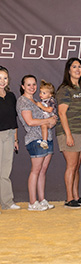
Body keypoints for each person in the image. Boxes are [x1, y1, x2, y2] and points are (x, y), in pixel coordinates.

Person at [56, 58, 81, 209]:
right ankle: (69, 198)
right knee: (71, 166)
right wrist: (68, 135)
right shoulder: (65, 89)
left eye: (80, 67)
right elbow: (61, 113)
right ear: (68, 70)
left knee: (77, 166)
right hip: (69, 132)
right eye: (74, 67)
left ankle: (76, 196)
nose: (78, 69)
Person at [16, 75, 57, 211]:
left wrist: (52, 120)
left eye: (34, 84)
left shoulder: (37, 101)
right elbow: (30, 122)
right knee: (36, 170)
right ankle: (32, 202)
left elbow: (50, 119)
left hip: (47, 138)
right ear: (23, 87)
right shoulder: (23, 101)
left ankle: (41, 199)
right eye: (28, 85)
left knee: (42, 171)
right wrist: (47, 121)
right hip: (35, 139)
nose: (32, 87)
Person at [0, 66, 20, 210]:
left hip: (9, 135)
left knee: (5, 171)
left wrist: (15, 139)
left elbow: (14, 119)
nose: (2, 81)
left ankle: (7, 202)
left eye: (5, 78)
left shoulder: (12, 96)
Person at [36, 80, 57, 150]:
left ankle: (44, 141)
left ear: (50, 95)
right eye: (41, 92)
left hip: (51, 118)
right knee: (43, 126)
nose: (41, 94)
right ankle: (44, 140)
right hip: (46, 118)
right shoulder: (43, 101)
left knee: (43, 125)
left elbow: (50, 110)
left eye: (44, 93)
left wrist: (41, 106)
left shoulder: (51, 100)